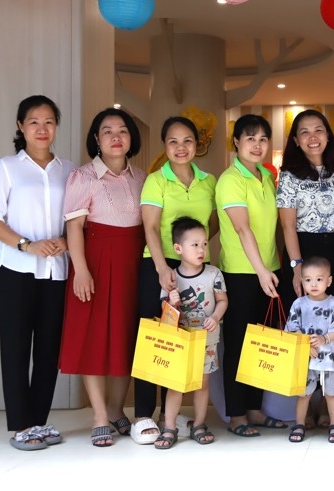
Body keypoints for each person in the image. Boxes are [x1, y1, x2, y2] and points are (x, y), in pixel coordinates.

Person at [0, 95, 74, 451]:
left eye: (49, 121)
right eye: (34, 121)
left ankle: (40, 422)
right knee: (16, 349)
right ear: (21, 126)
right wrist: (25, 244)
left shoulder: (68, 169)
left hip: (56, 273)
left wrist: (65, 241)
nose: (42, 128)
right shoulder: (8, 167)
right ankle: (20, 426)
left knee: (49, 351)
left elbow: (77, 219)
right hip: (17, 270)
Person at [58, 108, 145, 447]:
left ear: (130, 138)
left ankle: (116, 408)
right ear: (96, 139)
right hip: (94, 261)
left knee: (126, 334)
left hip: (133, 262)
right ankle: (98, 416)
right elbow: (74, 227)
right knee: (94, 336)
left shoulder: (141, 177)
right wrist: (80, 270)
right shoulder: (83, 177)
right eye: (106, 131)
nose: (115, 137)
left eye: (122, 130)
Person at [134, 116, 218, 444]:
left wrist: (194, 251)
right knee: (157, 338)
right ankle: (144, 413)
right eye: (173, 141)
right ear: (164, 146)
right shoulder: (156, 180)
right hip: (159, 265)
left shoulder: (209, 181)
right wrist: (161, 267)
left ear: (197, 146)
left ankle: (172, 415)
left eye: (187, 141)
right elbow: (150, 227)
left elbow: (213, 223)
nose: (180, 147)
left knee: (189, 340)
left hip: (194, 268)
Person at [277, 109, 334, 428]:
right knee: (304, 329)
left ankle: (327, 401)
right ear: (295, 140)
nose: (312, 137)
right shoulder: (290, 175)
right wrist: (295, 266)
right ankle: (305, 404)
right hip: (303, 251)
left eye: (318, 130)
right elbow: (287, 225)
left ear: (328, 135)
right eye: (304, 132)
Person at [216, 114, 287, 438]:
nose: (257, 145)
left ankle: (255, 410)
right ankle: (235, 414)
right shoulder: (231, 179)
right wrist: (260, 271)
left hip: (269, 270)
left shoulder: (266, 177)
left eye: (263, 139)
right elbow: (242, 228)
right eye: (250, 138)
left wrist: (275, 268)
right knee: (238, 344)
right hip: (242, 273)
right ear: (236, 143)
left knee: (261, 342)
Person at [156, 217, 228, 449]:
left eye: (204, 244)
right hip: (180, 341)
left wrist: (215, 317)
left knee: (202, 383)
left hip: (207, 339)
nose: (201, 249)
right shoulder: (171, 278)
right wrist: (172, 302)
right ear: (178, 248)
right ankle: (169, 427)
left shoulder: (214, 273)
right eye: (194, 244)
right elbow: (166, 313)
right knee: (176, 384)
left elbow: (222, 300)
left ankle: (199, 424)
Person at [284, 256, 334, 444]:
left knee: (331, 393)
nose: (313, 284)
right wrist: (305, 344)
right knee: (303, 393)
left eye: (319, 279)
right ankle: (299, 424)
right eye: (308, 279)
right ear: (301, 281)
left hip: (330, 358)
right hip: (306, 358)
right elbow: (292, 328)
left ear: (329, 281)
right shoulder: (299, 304)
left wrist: (323, 339)